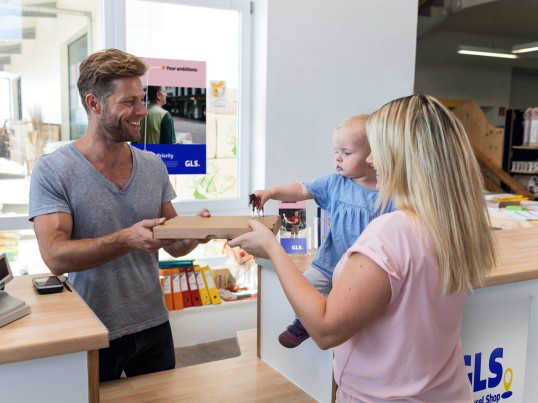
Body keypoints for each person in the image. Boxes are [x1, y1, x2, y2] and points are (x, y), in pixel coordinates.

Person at [230, 94, 497, 401]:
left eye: (378, 150)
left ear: (405, 155)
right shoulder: (452, 223)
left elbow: (327, 329)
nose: (370, 160)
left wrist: (272, 250)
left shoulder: (391, 232)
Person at [28, 48, 210, 382]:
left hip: (154, 324)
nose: (142, 110)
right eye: (129, 102)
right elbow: (55, 257)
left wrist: (195, 233)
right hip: (92, 330)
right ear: (94, 103)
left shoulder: (153, 166)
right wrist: (127, 238)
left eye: (142, 99)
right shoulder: (54, 170)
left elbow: (173, 244)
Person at [252, 114, 392, 348]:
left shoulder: (389, 192)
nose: (338, 159)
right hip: (330, 259)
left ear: (372, 155)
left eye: (346, 153)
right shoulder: (335, 183)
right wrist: (272, 192)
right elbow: (301, 190)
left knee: (356, 304)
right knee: (306, 287)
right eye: (335, 152)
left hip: (364, 269)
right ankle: (306, 323)